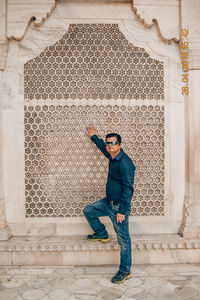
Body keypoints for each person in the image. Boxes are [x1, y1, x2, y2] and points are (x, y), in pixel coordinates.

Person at [83, 124, 136, 284]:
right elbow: (101, 147)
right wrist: (93, 136)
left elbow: (128, 188)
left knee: (124, 241)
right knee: (88, 211)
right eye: (108, 143)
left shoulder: (125, 163)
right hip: (107, 202)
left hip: (119, 207)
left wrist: (122, 210)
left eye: (113, 143)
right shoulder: (112, 156)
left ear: (119, 145)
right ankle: (102, 233)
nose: (109, 146)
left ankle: (125, 271)